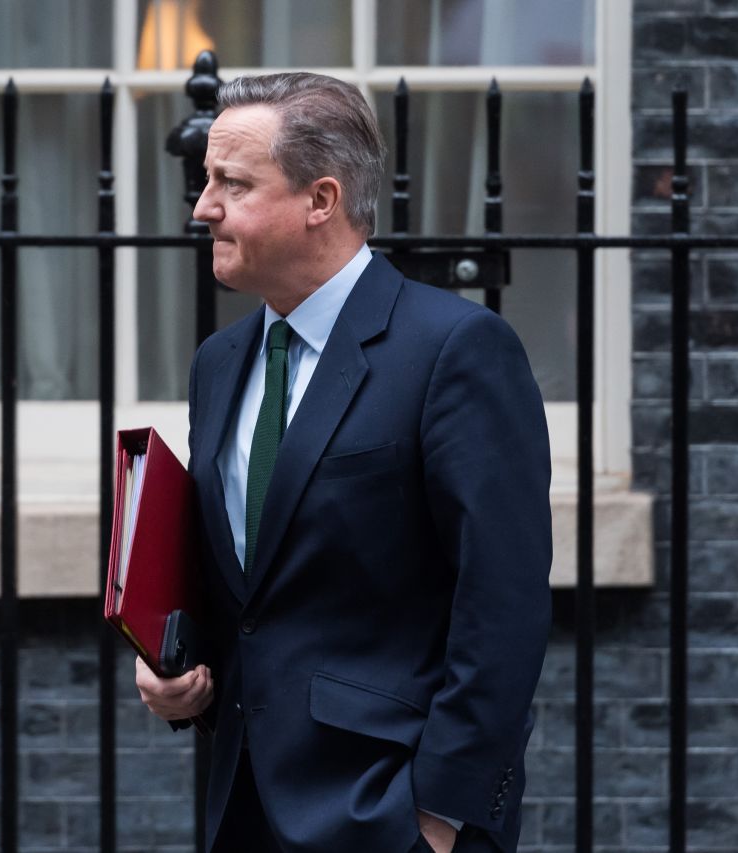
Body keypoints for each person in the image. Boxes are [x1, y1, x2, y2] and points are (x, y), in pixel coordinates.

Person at [135, 73, 552, 853]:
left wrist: (440, 817)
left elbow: (505, 603)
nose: (202, 208)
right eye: (206, 183)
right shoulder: (220, 362)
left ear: (320, 199)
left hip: (389, 812)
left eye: (232, 183)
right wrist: (177, 675)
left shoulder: (455, 350)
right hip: (244, 805)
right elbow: (250, 592)